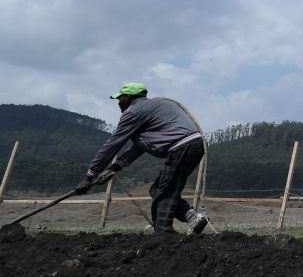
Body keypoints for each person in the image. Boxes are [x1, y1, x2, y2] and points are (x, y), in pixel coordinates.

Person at [76, 83, 209, 234]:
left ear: (129, 97)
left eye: (120, 98)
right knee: (159, 189)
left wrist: (90, 175)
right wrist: (115, 167)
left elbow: (113, 144)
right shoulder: (153, 108)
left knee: (164, 192)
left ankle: (163, 234)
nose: (118, 102)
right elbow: (139, 147)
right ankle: (191, 217)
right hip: (193, 145)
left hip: (182, 147)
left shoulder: (133, 112)